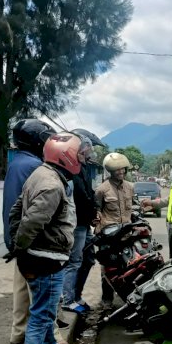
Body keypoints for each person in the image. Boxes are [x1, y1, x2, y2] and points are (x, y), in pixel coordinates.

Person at [7, 132, 82, 344]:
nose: (81, 159)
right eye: (78, 155)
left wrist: (18, 247)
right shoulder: (52, 184)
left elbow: (17, 210)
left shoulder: (40, 174)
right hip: (46, 257)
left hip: (40, 255)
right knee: (42, 314)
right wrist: (21, 248)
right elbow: (32, 220)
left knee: (46, 311)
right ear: (65, 157)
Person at [3, 119, 71, 344]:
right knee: (42, 296)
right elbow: (37, 212)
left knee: (21, 288)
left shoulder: (17, 163)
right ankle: (53, 338)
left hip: (18, 237)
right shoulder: (38, 168)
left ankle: (18, 331)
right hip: (33, 240)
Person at [63, 129, 104, 313]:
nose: (88, 152)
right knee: (74, 261)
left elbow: (90, 193)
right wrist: (91, 212)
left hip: (85, 222)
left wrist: (95, 211)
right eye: (86, 149)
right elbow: (80, 197)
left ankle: (76, 295)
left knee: (87, 259)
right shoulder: (70, 169)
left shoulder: (84, 167)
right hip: (77, 223)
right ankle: (68, 300)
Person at [94, 152, 136, 310]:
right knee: (108, 270)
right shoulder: (101, 190)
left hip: (127, 236)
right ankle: (107, 300)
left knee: (128, 267)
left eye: (123, 169)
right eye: (117, 170)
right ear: (110, 171)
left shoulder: (130, 187)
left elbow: (134, 208)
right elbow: (96, 213)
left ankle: (129, 299)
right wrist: (98, 230)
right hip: (109, 237)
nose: (121, 172)